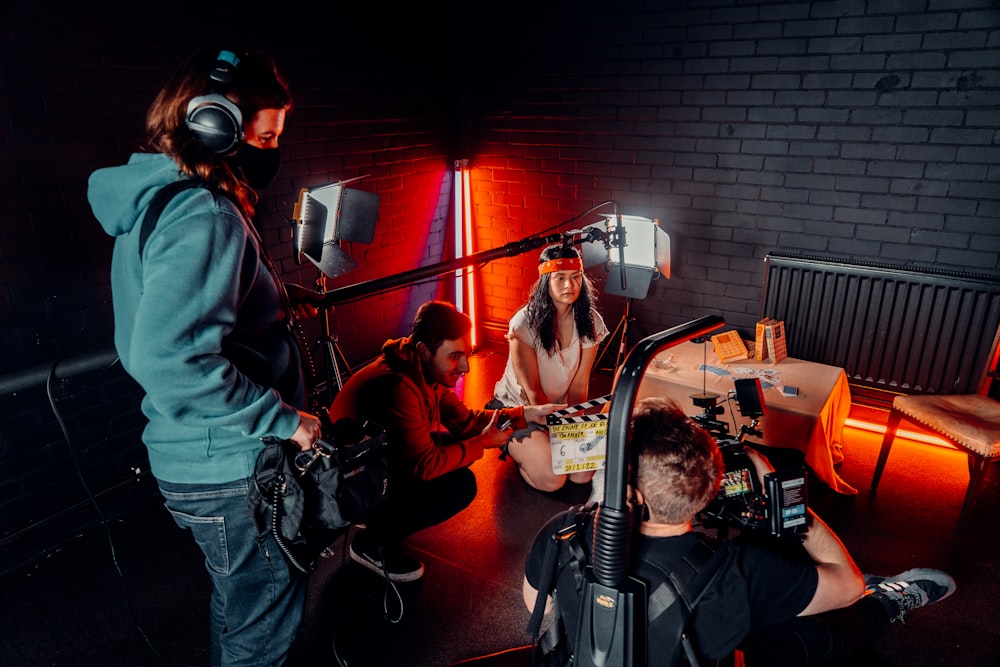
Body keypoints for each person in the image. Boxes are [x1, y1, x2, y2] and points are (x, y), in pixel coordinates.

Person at [88, 48, 323, 666]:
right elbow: (172, 360)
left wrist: (267, 300)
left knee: (240, 607)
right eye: (266, 135)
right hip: (232, 469)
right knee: (262, 632)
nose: (272, 150)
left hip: (196, 462)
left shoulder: (161, 200)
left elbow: (177, 316)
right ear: (215, 125)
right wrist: (286, 420)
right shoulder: (206, 214)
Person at [523, 397, 957, 666]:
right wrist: (793, 509)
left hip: (580, 655)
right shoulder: (740, 570)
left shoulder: (564, 529)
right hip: (704, 650)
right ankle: (884, 602)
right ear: (709, 492)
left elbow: (536, 605)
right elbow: (847, 584)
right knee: (821, 632)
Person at [329, 300, 563, 582]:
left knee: (454, 450)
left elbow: (466, 422)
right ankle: (371, 543)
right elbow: (425, 466)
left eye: (465, 354)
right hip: (346, 485)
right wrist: (483, 443)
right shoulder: (397, 386)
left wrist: (527, 414)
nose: (465, 366)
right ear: (424, 351)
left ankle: (385, 522)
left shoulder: (424, 369)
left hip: (376, 458)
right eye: (454, 356)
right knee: (459, 486)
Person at [489, 244, 609, 492]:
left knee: (582, 476)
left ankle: (544, 449)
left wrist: (573, 424)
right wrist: (561, 432)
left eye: (576, 277)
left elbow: (579, 384)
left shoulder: (591, 321)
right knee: (554, 480)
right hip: (521, 411)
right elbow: (533, 391)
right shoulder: (524, 323)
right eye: (560, 278)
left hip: (558, 411)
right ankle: (518, 450)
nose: (570, 285)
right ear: (546, 280)